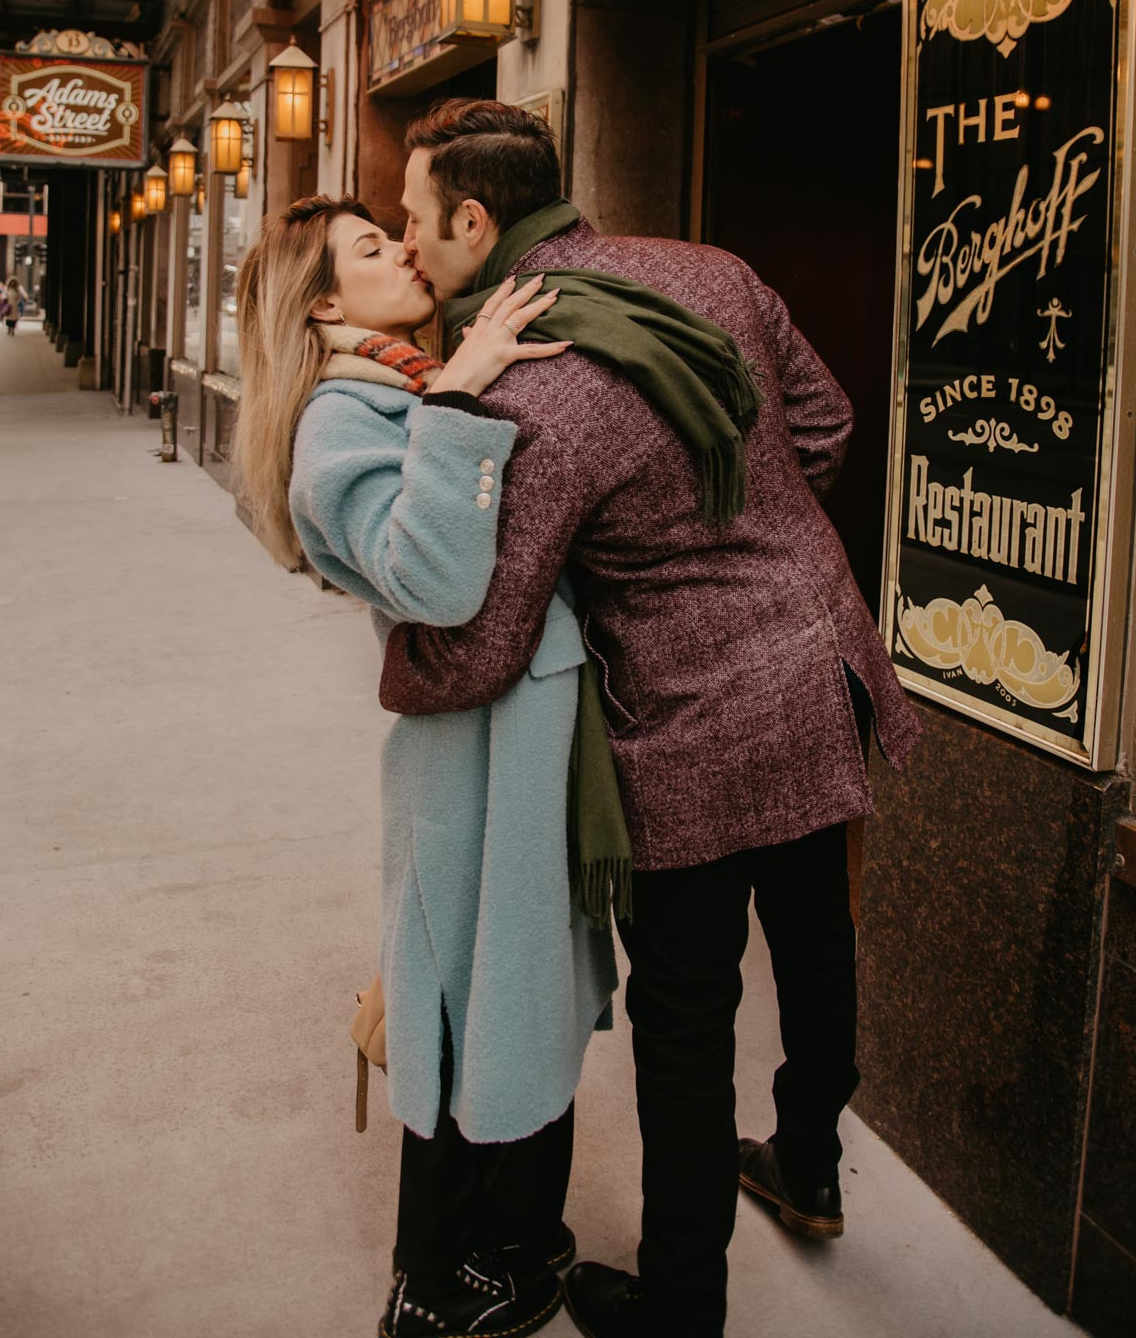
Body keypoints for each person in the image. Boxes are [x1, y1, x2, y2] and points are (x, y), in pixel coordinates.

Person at [386, 99, 924, 1338]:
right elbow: (825, 422)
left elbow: (487, 632)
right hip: (823, 657)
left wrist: (400, 666)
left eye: (417, 223)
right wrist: (746, 532)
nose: (409, 249)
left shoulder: (533, 385)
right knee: (811, 930)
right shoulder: (709, 268)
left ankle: (681, 1302)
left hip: (691, 725)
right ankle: (807, 1159)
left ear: (477, 220)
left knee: (684, 1019)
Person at [231, 194, 619, 1338]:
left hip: (516, 741)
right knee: (468, 998)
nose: (402, 248)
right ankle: (438, 1277)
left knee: (517, 991)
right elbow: (438, 580)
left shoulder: (398, 377)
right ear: (321, 302)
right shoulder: (337, 423)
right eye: (368, 247)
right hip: (466, 762)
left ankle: (509, 1239)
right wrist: (459, 393)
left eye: (392, 231)